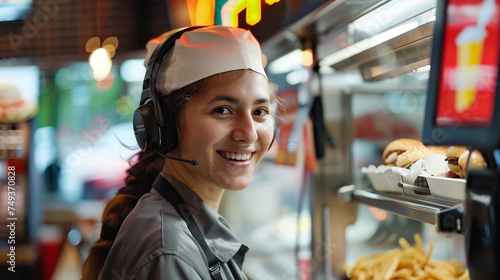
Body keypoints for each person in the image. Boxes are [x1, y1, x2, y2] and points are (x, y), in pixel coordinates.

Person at [81, 25, 277, 280]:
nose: (249, 133)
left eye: (259, 111)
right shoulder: (169, 253)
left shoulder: (180, 228)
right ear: (164, 125)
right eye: (222, 110)